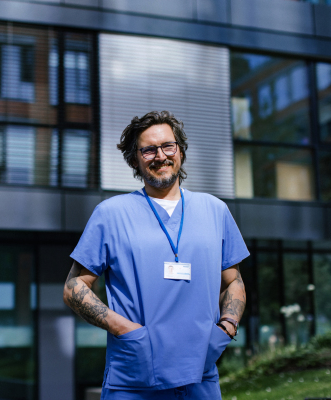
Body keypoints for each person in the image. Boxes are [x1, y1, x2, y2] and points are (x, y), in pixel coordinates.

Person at [63, 111, 249, 400]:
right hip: (134, 378)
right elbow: (74, 287)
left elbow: (233, 281)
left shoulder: (216, 210)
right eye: (148, 149)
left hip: (200, 376)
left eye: (167, 146)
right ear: (135, 159)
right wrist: (124, 330)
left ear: (180, 151)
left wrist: (226, 326)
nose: (160, 155)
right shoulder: (111, 214)